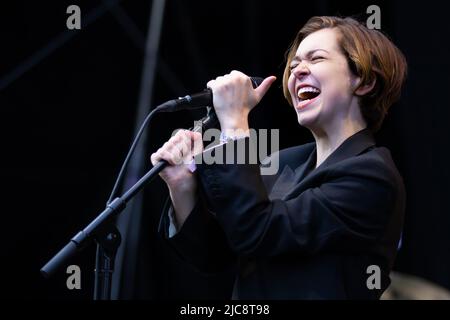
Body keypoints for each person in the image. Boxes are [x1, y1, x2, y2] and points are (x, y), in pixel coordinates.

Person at [151, 16, 407, 299]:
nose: (297, 71)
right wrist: (182, 186)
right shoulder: (285, 162)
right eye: (295, 63)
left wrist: (235, 123)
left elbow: (258, 231)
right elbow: (215, 255)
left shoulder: (372, 175)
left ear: (363, 80)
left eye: (316, 58)